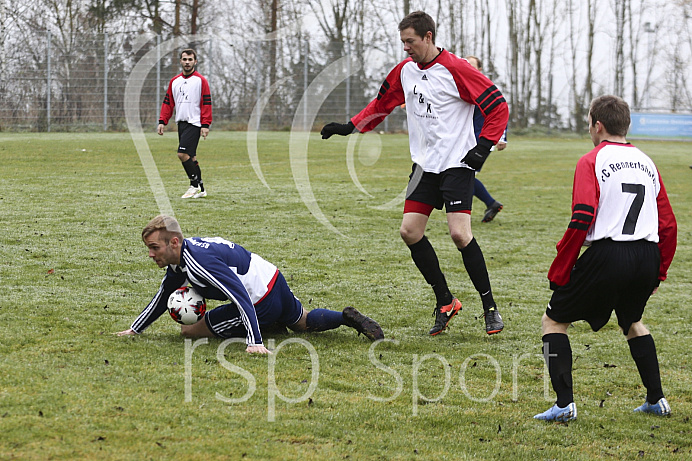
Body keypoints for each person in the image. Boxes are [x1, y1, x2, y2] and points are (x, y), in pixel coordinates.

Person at [321, 11, 509, 336]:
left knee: (460, 235)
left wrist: (483, 146)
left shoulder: (457, 69)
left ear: (428, 37)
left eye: (411, 41)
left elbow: (497, 106)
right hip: (425, 166)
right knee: (409, 232)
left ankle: (490, 307)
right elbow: (381, 104)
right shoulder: (405, 71)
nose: (406, 48)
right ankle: (446, 301)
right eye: (403, 42)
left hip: (457, 165)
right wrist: (349, 127)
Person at [534, 95, 677, 422]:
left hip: (610, 254)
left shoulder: (591, 160)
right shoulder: (647, 161)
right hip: (646, 254)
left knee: (553, 321)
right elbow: (668, 224)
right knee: (632, 321)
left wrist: (562, 265)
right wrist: (659, 272)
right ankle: (656, 399)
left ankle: (563, 405)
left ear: (597, 124)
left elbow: (583, 214)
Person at [116, 215, 384, 354]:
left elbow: (240, 294)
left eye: (154, 247)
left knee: (189, 332)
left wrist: (254, 342)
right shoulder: (183, 258)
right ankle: (346, 318)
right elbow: (164, 294)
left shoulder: (198, 261)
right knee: (302, 321)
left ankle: (264, 328)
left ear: (173, 242)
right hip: (274, 278)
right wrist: (135, 329)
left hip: (259, 299)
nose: (151, 254)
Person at [157, 49, 212, 199]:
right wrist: (162, 121)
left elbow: (207, 102)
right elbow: (168, 102)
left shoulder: (201, 81)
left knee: (182, 154)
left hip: (195, 123)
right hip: (181, 123)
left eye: (190, 59)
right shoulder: (175, 81)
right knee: (191, 157)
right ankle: (201, 189)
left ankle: (193, 185)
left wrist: (205, 124)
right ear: (180, 61)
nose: (187, 62)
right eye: (184, 59)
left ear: (195, 61)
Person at [466, 55, 507, 223]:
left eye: (472, 66)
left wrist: (501, 136)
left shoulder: (485, 88)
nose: (468, 68)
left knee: (464, 176)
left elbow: (500, 110)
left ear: (480, 70)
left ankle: (464, 214)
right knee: (464, 177)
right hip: (466, 139)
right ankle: (491, 204)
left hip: (481, 141)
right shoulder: (462, 85)